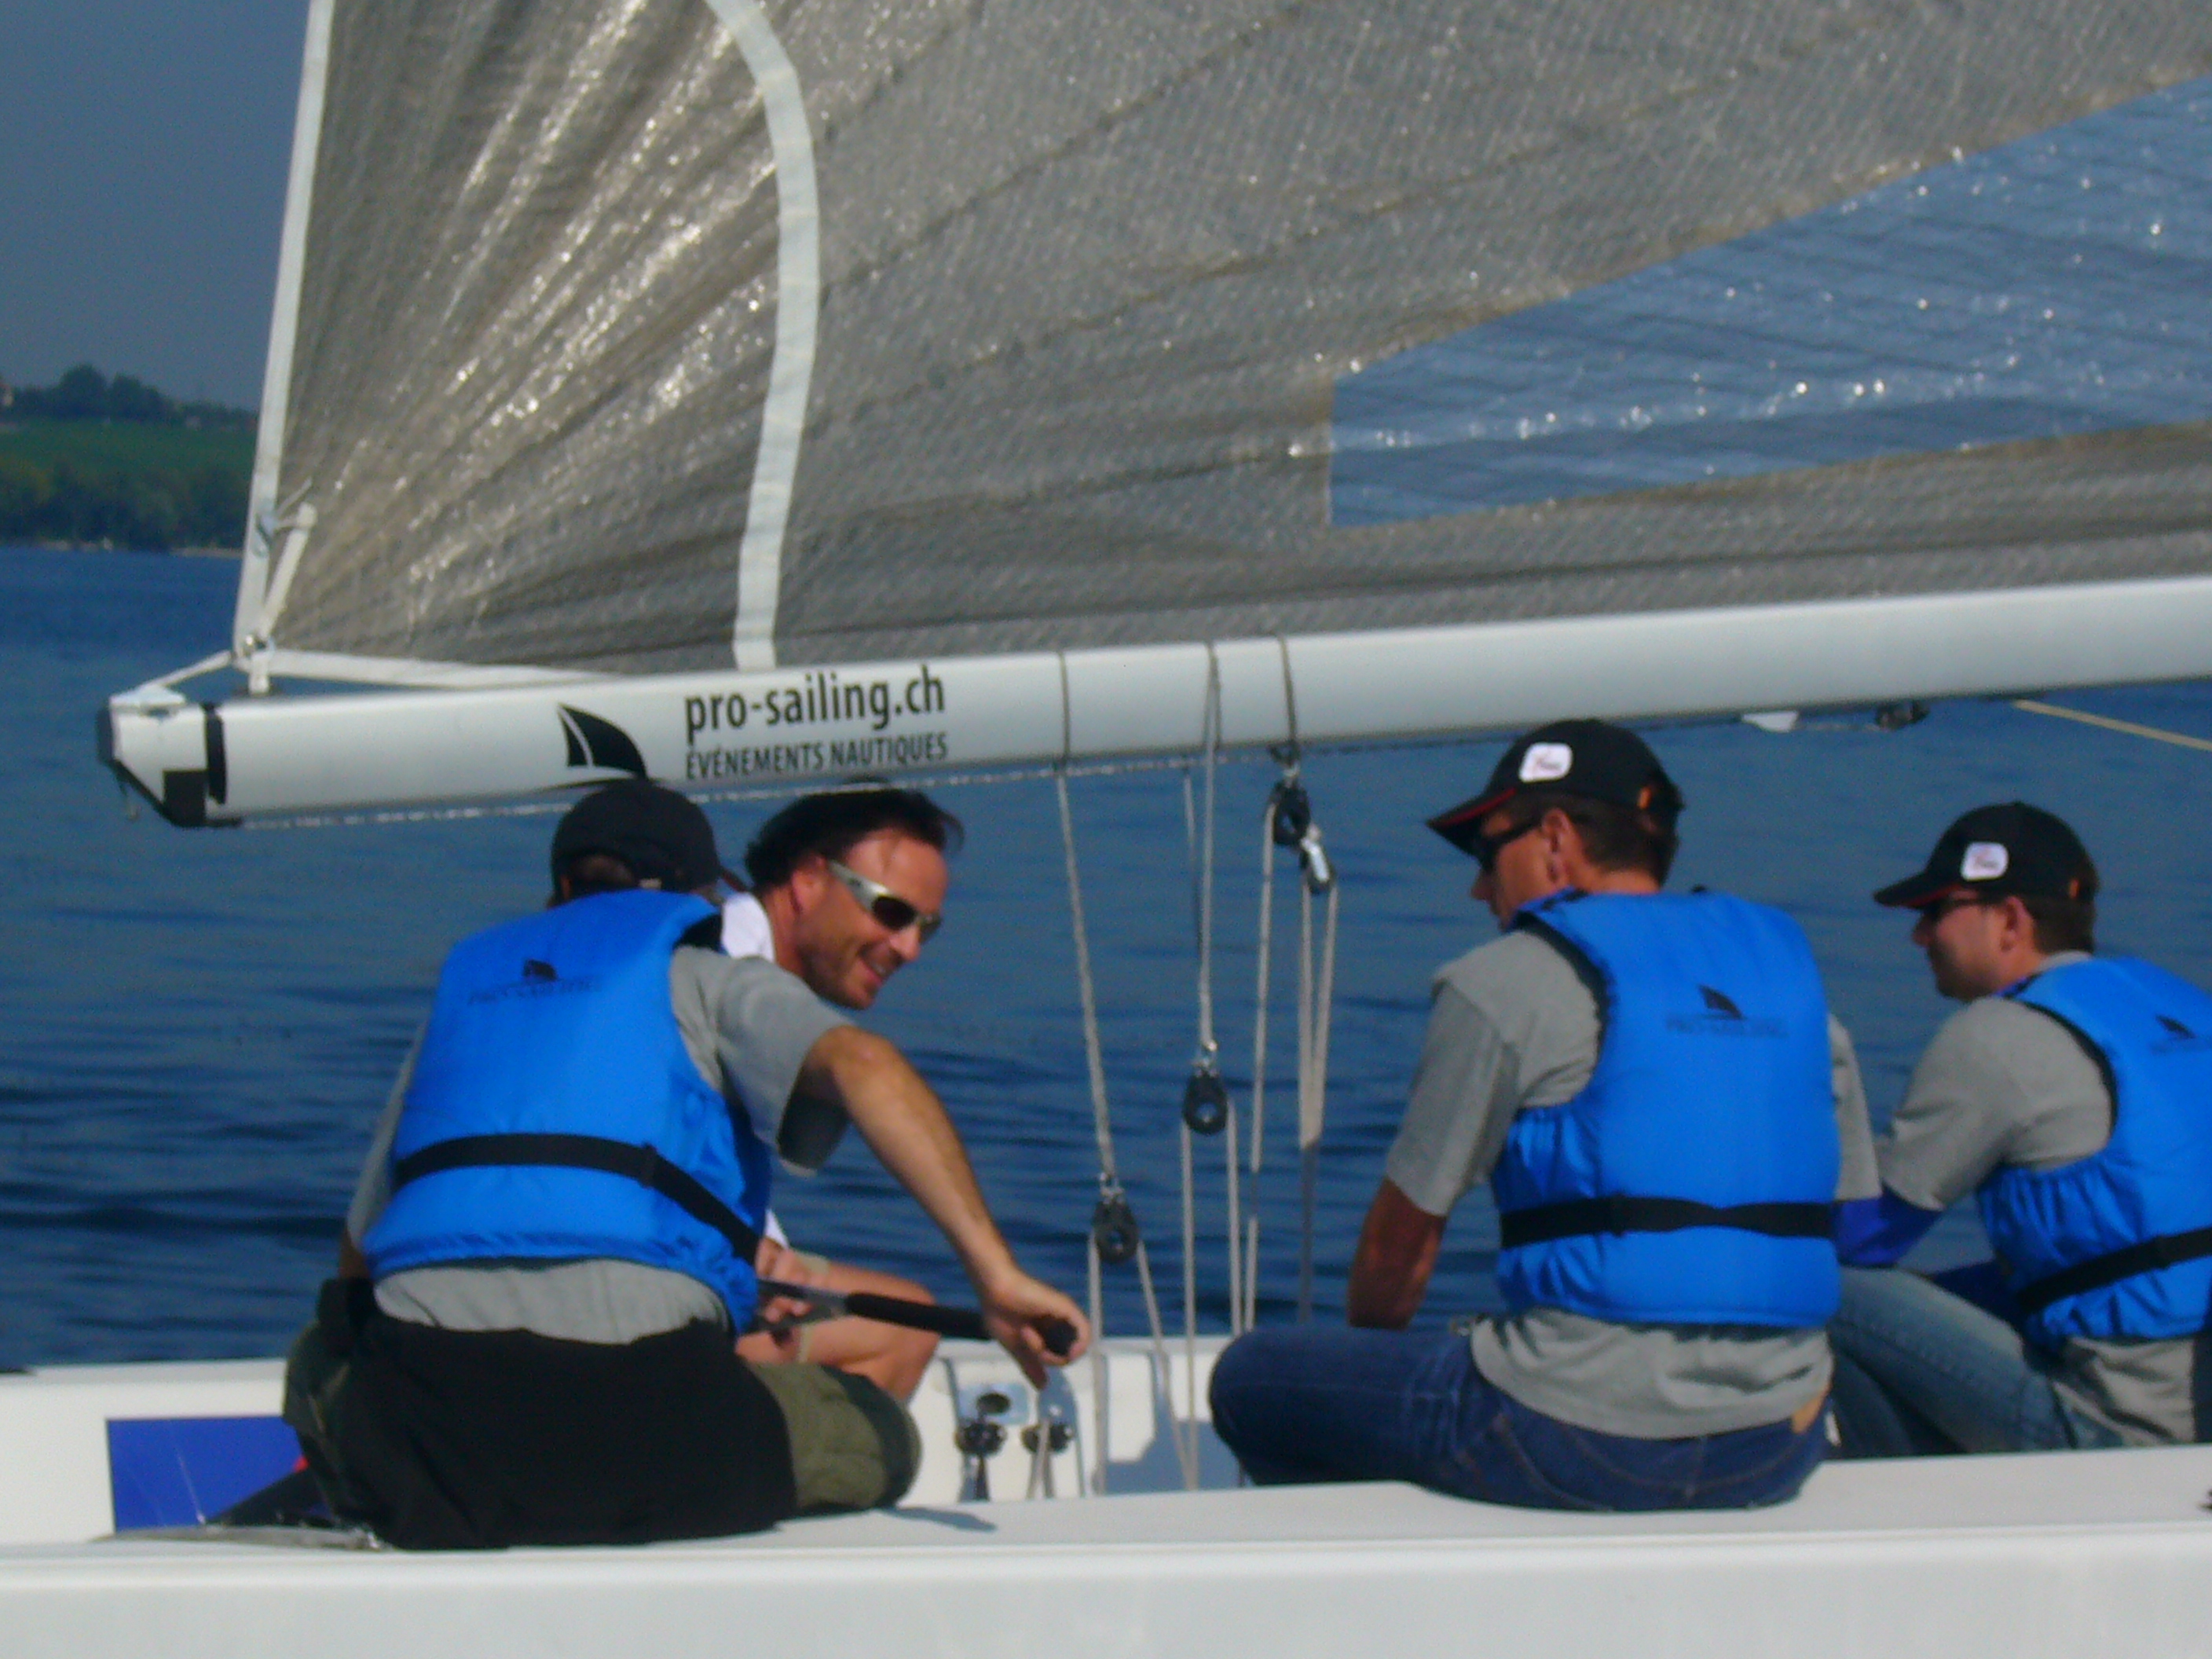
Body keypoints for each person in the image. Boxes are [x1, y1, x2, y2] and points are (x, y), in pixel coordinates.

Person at [285, 778, 1087, 1548]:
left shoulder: (463, 1005)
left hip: (432, 1456)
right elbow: (866, 1067)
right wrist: (995, 1276)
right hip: (655, 1448)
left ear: (560, 888)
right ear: (702, 897)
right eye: (895, 913)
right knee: (883, 1436)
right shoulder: (709, 977)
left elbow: (358, 1263)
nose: (909, 944)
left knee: (318, 1358)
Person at [1210, 720, 1877, 1511]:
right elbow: (1851, 1223)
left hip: (1577, 1441)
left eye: (1486, 853)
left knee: (1252, 1379)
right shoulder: (1794, 994)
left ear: (1555, 838)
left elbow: (1400, 1250)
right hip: (1775, 1442)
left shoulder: (1504, 982)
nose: (1478, 888)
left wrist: (1368, 1362)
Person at [1829, 802, 2212, 1456]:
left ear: (2010, 919)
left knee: (1816, 1281)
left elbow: (1860, 1238)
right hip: (2195, 1413)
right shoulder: (2178, 1006)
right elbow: (2105, 1261)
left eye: (1935, 912)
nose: (1919, 937)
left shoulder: (1998, 1035)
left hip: (2114, 1429)